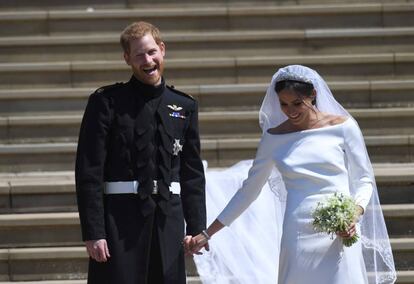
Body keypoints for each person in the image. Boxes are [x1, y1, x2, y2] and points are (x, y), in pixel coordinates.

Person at [189, 65, 396, 284]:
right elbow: (249, 190)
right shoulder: (274, 137)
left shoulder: (344, 127)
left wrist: (353, 214)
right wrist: (208, 233)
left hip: (340, 229)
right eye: (284, 104)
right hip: (298, 231)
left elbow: (364, 179)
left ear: (313, 94)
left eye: (297, 103)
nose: (291, 111)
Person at [75, 21, 207, 284]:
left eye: (151, 52)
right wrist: (94, 232)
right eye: (139, 55)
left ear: (162, 49)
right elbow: (89, 171)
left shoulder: (184, 105)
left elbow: (191, 173)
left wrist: (196, 228)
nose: (147, 60)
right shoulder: (106, 102)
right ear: (127, 59)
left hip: (168, 219)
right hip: (120, 222)